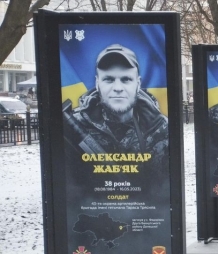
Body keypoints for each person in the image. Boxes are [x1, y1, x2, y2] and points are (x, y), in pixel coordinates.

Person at [63, 43, 169, 174]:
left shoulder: (162, 129)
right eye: (108, 79)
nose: (118, 88)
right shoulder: (72, 126)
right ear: (97, 84)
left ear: (138, 84)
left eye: (126, 79)